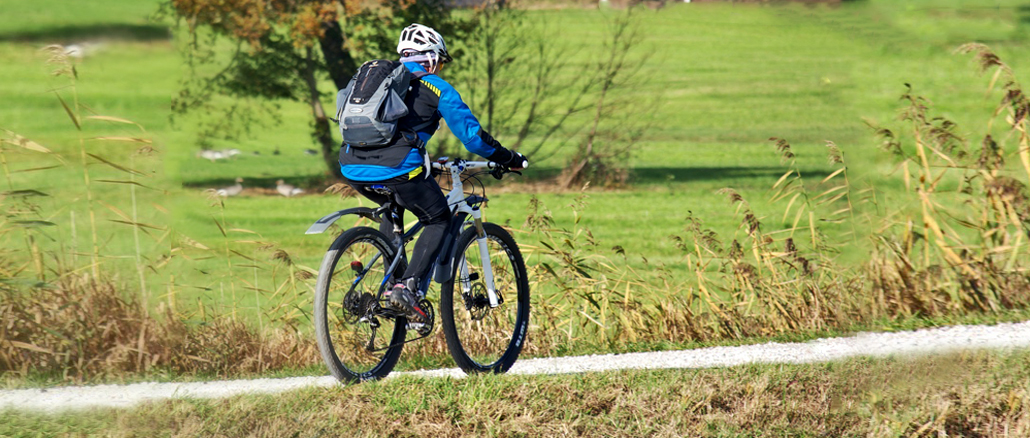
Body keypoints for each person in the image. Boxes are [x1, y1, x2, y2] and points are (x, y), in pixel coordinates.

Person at [339, 23, 527, 324]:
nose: (439, 67)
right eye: (439, 61)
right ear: (431, 58)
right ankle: (407, 287)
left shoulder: (376, 82)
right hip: (400, 168)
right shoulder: (436, 87)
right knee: (437, 218)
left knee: (393, 206)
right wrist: (509, 158)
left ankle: (388, 289)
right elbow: (473, 138)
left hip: (351, 166)